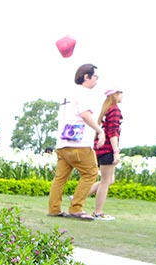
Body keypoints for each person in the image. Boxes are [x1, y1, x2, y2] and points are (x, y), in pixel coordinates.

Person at [47, 63, 105, 220]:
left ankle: (54, 208)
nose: (97, 80)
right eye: (95, 76)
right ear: (86, 77)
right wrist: (100, 131)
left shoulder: (67, 94)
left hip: (62, 144)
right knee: (91, 173)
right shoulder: (85, 93)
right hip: (79, 143)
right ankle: (76, 208)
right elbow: (85, 114)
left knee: (60, 178)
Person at [88, 88, 124, 220]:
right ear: (115, 95)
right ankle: (98, 212)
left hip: (100, 148)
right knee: (105, 182)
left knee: (109, 180)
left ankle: (78, 196)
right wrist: (116, 151)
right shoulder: (114, 110)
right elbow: (113, 132)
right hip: (108, 149)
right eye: (120, 93)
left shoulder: (106, 110)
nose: (122, 95)